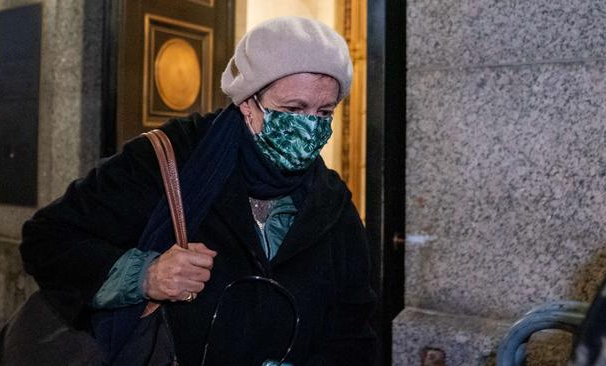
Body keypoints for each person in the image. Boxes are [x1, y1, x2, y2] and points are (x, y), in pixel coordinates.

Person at [19, 16, 377, 366]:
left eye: (324, 112)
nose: (308, 126)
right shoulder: (167, 159)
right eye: (293, 109)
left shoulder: (332, 201)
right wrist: (146, 275)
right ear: (248, 103)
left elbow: (353, 325)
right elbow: (48, 239)